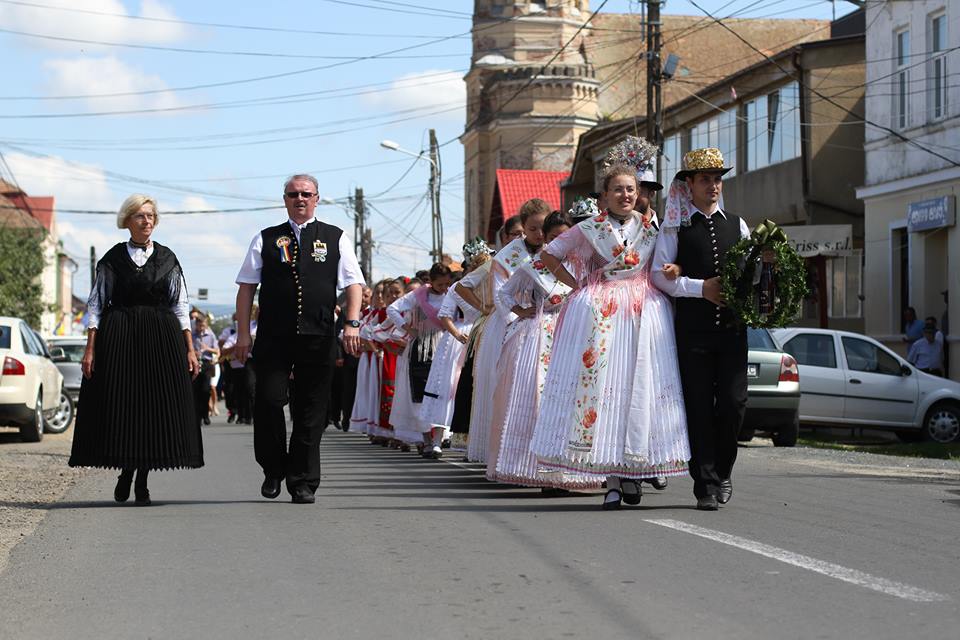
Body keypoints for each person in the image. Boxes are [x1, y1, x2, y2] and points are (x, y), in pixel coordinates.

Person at [531, 163, 689, 510]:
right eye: (618, 189)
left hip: (643, 312)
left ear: (639, 193)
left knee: (638, 388)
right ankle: (613, 480)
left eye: (631, 189)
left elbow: (666, 262)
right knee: (604, 393)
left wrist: (675, 269)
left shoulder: (651, 228)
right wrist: (577, 285)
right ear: (604, 195)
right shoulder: (589, 229)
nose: (626, 195)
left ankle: (633, 470)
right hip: (602, 312)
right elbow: (548, 255)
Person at [235, 174, 364, 504]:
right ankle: (273, 468)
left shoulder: (335, 237)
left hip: (318, 334)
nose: (300, 199)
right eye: (293, 194)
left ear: (317, 198)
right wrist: (243, 334)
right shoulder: (265, 238)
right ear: (285, 199)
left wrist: (351, 324)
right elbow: (247, 287)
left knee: (312, 410)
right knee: (268, 399)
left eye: (306, 194)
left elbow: (353, 285)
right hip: (274, 336)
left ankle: (303, 479)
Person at [70, 194, 202, 506]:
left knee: (152, 408)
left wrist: (190, 349)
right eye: (140, 216)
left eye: (150, 216)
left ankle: (141, 478)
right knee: (124, 404)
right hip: (120, 336)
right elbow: (96, 306)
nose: (146, 221)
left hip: (161, 337)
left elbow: (181, 306)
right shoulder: (112, 259)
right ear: (128, 220)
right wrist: (90, 350)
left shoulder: (168, 258)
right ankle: (126, 472)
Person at [652, 147, 750, 511]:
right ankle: (704, 485)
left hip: (732, 330)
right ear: (689, 184)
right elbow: (658, 276)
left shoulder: (738, 224)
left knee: (734, 403)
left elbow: (750, 271)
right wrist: (699, 288)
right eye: (705, 179)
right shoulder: (674, 226)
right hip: (692, 333)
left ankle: (723, 469)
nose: (713, 186)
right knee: (698, 408)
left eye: (718, 179)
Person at [490, 210, 601, 493]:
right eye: (553, 237)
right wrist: (520, 310)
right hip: (542, 335)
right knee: (540, 401)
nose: (558, 242)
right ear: (544, 239)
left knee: (574, 400)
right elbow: (503, 293)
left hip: (575, 332)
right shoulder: (535, 265)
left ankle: (571, 469)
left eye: (564, 237)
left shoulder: (583, 266)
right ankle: (539, 469)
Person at [418, 248, 484, 456]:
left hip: (484, 333)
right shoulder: (457, 288)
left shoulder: (491, 286)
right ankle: (437, 438)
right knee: (448, 387)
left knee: (479, 389)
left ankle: (475, 444)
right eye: (476, 267)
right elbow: (446, 315)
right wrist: (457, 335)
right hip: (461, 336)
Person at [386, 263, 454, 457]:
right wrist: (406, 328)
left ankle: (437, 441)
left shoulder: (452, 294)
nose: (444, 288)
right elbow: (392, 309)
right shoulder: (418, 296)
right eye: (440, 284)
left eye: (446, 284)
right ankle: (426, 440)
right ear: (430, 281)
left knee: (442, 393)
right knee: (420, 396)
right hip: (421, 348)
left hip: (443, 345)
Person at [192, 315, 219, 425]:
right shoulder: (193, 335)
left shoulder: (210, 335)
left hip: (207, 363)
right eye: (199, 326)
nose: (201, 328)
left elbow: (217, 350)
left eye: (203, 326)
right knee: (196, 391)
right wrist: (194, 352)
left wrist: (207, 348)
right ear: (196, 325)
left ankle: (205, 414)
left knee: (205, 390)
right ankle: (197, 416)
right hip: (196, 363)